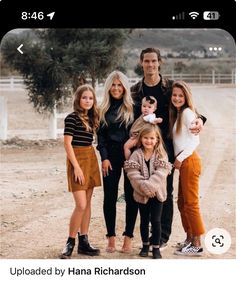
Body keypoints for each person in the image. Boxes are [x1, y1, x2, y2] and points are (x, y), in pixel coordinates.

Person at [130, 47, 206, 249]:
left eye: (154, 61)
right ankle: (147, 238)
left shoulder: (170, 87)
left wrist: (200, 121)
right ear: (141, 63)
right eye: (146, 61)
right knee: (144, 191)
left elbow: (190, 109)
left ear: (159, 62)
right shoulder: (136, 91)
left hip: (167, 150)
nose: (150, 65)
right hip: (143, 149)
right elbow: (129, 118)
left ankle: (162, 237)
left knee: (166, 192)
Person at [60, 84, 101, 259]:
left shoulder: (92, 118)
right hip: (77, 160)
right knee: (81, 205)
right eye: (84, 97)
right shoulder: (71, 118)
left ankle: (84, 241)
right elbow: (67, 144)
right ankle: (70, 241)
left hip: (90, 157)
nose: (87, 101)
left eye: (90, 98)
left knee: (88, 204)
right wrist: (76, 167)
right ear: (78, 99)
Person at [96, 70, 135, 253]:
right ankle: (111, 237)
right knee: (109, 198)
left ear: (125, 88)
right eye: (113, 85)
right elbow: (101, 138)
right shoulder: (102, 109)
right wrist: (104, 158)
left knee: (131, 197)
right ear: (108, 87)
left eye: (120, 85)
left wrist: (131, 147)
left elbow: (139, 132)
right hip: (110, 158)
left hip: (130, 158)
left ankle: (128, 238)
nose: (116, 88)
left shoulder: (132, 108)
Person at [124, 124, 172, 259]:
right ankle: (145, 245)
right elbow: (132, 174)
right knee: (144, 220)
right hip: (141, 195)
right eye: (146, 138)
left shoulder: (161, 154)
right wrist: (145, 189)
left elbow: (161, 173)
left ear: (157, 139)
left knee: (156, 221)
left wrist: (150, 187)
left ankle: (156, 247)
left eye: (152, 138)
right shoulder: (136, 155)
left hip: (157, 194)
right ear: (141, 139)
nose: (148, 141)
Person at [169, 81, 205, 256]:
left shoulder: (187, 113)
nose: (177, 98)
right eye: (174, 95)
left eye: (180, 95)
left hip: (189, 161)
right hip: (185, 163)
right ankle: (189, 238)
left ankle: (197, 244)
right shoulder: (179, 113)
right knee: (182, 203)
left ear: (186, 97)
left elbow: (195, 140)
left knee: (191, 204)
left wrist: (180, 159)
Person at [124, 95, 162, 160]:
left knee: (126, 147)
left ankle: (129, 161)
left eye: (149, 107)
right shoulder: (144, 115)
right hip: (136, 135)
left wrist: (157, 120)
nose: (146, 108)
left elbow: (152, 120)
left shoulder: (149, 116)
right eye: (144, 106)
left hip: (137, 136)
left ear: (154, 109)